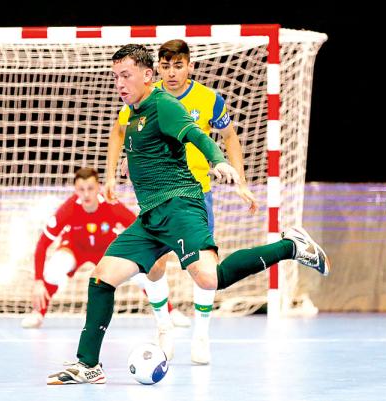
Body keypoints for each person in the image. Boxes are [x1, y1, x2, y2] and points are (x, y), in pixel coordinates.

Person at [47, 44, 330, 385]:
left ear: (148, 76)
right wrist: (127, 163)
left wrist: (219, 161)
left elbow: (196, 134)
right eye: (116, 76)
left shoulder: (163, 104)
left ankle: (291, 246)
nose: (119, 83)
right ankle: (88, 364)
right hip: (151, 217)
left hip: (181, 205)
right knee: (103, 277)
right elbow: (143, 146)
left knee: (211, 279)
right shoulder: (134, 113)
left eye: (126, 76)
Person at [115, 39, 258, 364]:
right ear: (156, 71)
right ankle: (164, 326)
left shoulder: (208, 99)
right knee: (153, 264)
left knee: (203, 269)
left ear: (189, 65)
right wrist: (119, 167)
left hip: (196, 194)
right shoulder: (142, 98)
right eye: (165, 66)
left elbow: (228, 137)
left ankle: (202, 335)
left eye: (178, 65)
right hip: (156, 195)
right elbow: (122, 132)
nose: (172, 72)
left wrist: (241, 181)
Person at [21, 166, 190, 329]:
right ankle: (38, 312)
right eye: (81, 189)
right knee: (54, 269)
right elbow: (43, 244)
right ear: (75, 190)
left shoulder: (111, 204)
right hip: (75, 249)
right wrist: (38, 280)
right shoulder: (68, 208)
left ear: (98, 188)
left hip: (107, 251)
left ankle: (170, 311)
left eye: (90, 188)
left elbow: (139, 227)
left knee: (142, 273)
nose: (86, 194)